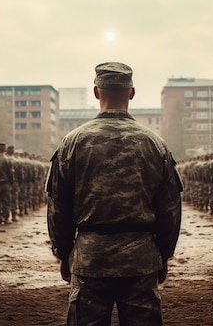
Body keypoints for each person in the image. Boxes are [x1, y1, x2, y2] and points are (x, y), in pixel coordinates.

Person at [47, 62, 183, 326]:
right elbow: (170, 208)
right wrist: (163, 254)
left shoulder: (72, 143)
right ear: (131, 93)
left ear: (96, 92)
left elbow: (58, 206)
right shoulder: (155, 144)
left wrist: (63, 253)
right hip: (141, 260)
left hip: (90, 259)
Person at [0, 142, 15, 224]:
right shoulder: (7, 160)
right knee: (6, 201)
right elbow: (10, 173)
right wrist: (11, 182)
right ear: (5, 150)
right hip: (6, 184)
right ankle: (6, 218)